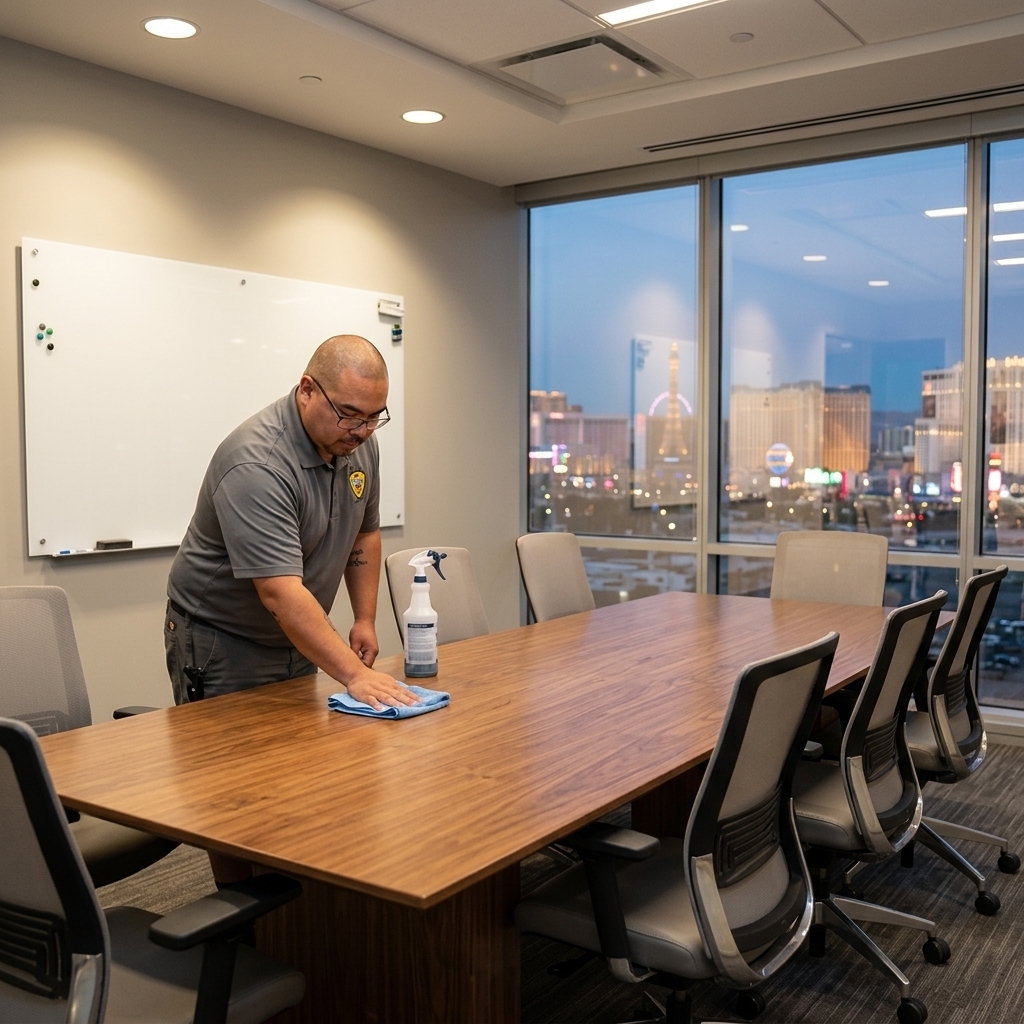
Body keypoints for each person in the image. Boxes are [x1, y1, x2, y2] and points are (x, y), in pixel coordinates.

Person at [165, 334, 418, 712]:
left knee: (299, 757)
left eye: (373, 417)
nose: (361, 430)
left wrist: (365, 618)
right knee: (230, 765)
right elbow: (279, 593)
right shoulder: (257, 464)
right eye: (349, 414)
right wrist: (355, 674)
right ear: (306, 390)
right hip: (225, 641)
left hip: (298, 631)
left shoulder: (356, 442)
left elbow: (364, 533)